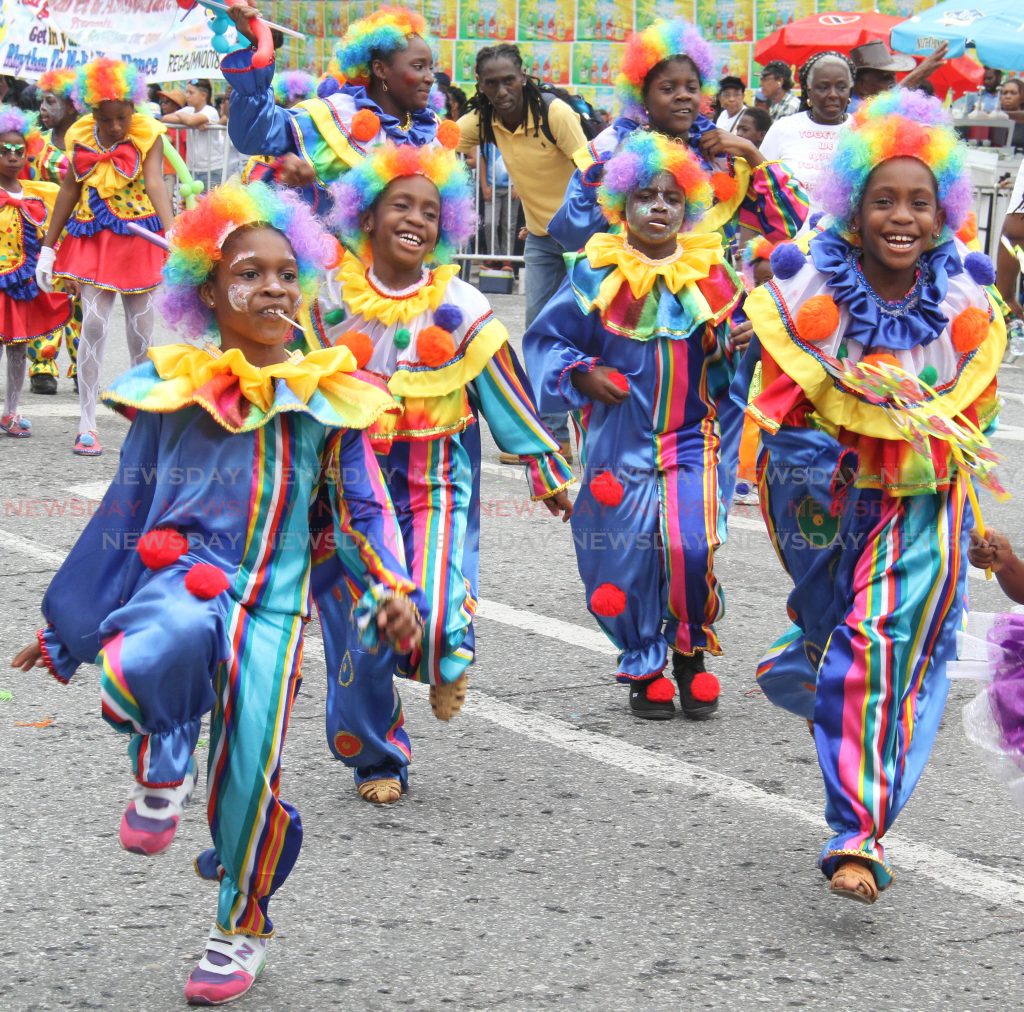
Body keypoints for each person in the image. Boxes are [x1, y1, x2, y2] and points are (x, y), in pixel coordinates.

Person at [11, 179, 424, 1005]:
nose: (271, 287)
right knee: (157, 640)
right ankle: (162, 750)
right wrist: (70, 629)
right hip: (181, 577)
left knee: (248, 779)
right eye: (248, 272)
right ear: (207, 289)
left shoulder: (326, 395)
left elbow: (362, 506)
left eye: (284, 272)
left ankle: (241, 927)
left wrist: (390, 585)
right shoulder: (175, 388)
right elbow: (125, 510)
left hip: (274, 605)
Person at [744, 90, 1005, 903]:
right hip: (826, 493)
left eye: (919, 202)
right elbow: (776, 392)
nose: (902, 217)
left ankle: (857, 830)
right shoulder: (814, 281)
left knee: (881, 644)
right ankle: (812, 653)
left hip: (920, 499)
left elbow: (976, 409)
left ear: (944, 211)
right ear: (853, 208)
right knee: (838, 634)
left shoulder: (962, 294)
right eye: (883, 200)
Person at [309, 143, 573, 803]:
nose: (417, 219)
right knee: (360, 629)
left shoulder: (463, 306)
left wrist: (545, 468)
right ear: (366, 216)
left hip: (436, 484)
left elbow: (506, 391)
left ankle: (442, 653)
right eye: (401, 204)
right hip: (347, 491)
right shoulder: (326, 299)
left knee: (432, 602)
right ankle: (378, 758)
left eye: (431, 211)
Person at [548, 18, 808, 524]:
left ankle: (692, 556)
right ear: (642, 93)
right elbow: (572, 226)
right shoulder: (611, 147)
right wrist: (617, 174)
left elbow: (797, 222)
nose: (683, 98)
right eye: (668, 87)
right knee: (620, 450)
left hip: (708, 324)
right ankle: (622, 571)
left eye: (692, 87)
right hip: (629, 316)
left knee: (707, 449)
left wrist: (752, 155)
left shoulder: (720, 155)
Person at [525, 131, 742, 720]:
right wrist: (582, 374)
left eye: (672, 197)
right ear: (621, 204)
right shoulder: (595, 274)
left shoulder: (712, 274)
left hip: (692, 437)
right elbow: (546, 341)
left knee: (689, 545)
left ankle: (690, 651)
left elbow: (735, 362)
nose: (659, 207)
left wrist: (733, 343)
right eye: (644, 196)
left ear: (689, 206)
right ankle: (644, 662)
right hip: (617, 442)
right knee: (622, 556)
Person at [456, 43, 588, 460]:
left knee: (586, 333)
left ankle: (601, 434)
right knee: (539, 334)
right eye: (491, 83)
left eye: (508, 80)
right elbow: (436, 140)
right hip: (540, 239)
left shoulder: (555, 114)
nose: (501, 90)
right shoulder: (484, 119)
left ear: (524, 76)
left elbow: (592, 173)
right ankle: (553, 437)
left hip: (583, 241)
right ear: (480, 85)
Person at [37, 57, 173, 458]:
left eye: (122, 117)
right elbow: (68, 190)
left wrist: (172, 231)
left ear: (133, 108)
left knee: (141, 334)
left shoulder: (148, 134)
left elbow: (154, 183)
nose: (115, 127)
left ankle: (144, 422)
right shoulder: (81, 136)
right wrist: (48, 247)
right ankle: (87, 423)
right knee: (93, 325)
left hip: (139, 239)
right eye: (106, 118)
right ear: (89, 110)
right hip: (93, 238)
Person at [225, 5, 445, 211]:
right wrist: (258, 51)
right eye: (418, 67)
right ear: (380, 70)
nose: (429, 78)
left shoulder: (432, 135)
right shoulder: (335, 116)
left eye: (430, 68)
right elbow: (255, 135)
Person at [0, 105, 72, 438]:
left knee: (18, 348)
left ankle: (11, 412)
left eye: (19, 150)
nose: (13, 157)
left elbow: (46, 238)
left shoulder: (35, 196)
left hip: (19, 286)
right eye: (5, 150)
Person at [27, 68, 80, 397]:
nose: (43, 109)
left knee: (81, 301)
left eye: (51, 102)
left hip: (79, 231)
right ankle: (43, 364)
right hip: (42, 232)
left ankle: (81, 365)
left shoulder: (89, 143)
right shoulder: (35, 144)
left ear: (72, 106)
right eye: (42, 102)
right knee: (44, 294)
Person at [759, 51, 854, 208]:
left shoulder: (862, 130)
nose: (833, 94)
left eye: (841, 87)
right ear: (809, 91)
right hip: (791, 232)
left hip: (845, 232)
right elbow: (760, 184)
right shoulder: (784, 128)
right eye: (823, 87)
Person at [159, 78, 225, 189]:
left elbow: (190, 121)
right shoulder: (188, 111)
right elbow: (165, 118)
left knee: (210, 204)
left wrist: (187, 119)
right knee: (192, 204)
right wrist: (188, 119)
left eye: (191, 93)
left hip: (212, 169)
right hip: (192, 169)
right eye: (187, 92)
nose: (187, 96)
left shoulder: (210, 111)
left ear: (203, 95)